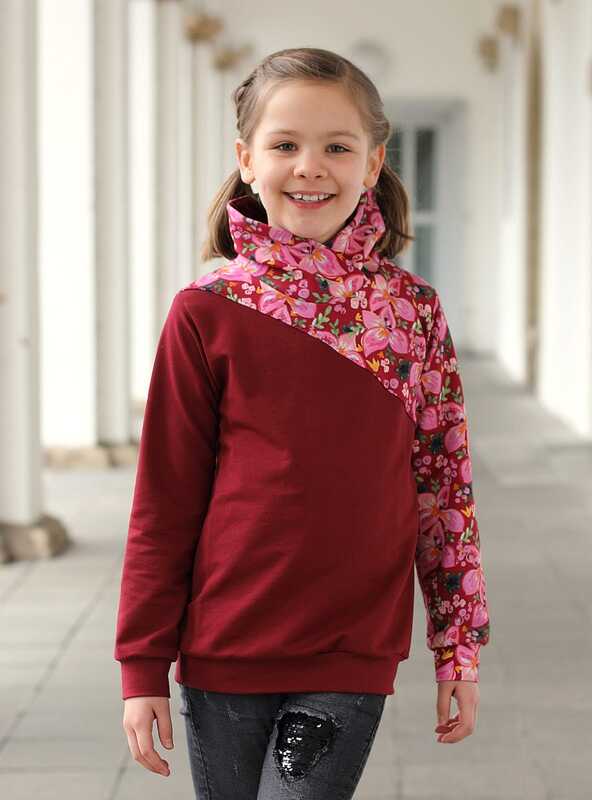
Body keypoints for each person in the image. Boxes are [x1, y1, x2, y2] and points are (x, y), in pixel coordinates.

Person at [114, 46, 490, 799]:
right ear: (247, 160)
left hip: (350, 646)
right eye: (285, 144)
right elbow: (165, 499)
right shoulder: (206, 311)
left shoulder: (411, 312)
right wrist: (141, 664)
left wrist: (458, 647)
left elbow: (443, 488)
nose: (310, 167)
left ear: (373, 162)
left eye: (337, 147)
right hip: (225, 642)